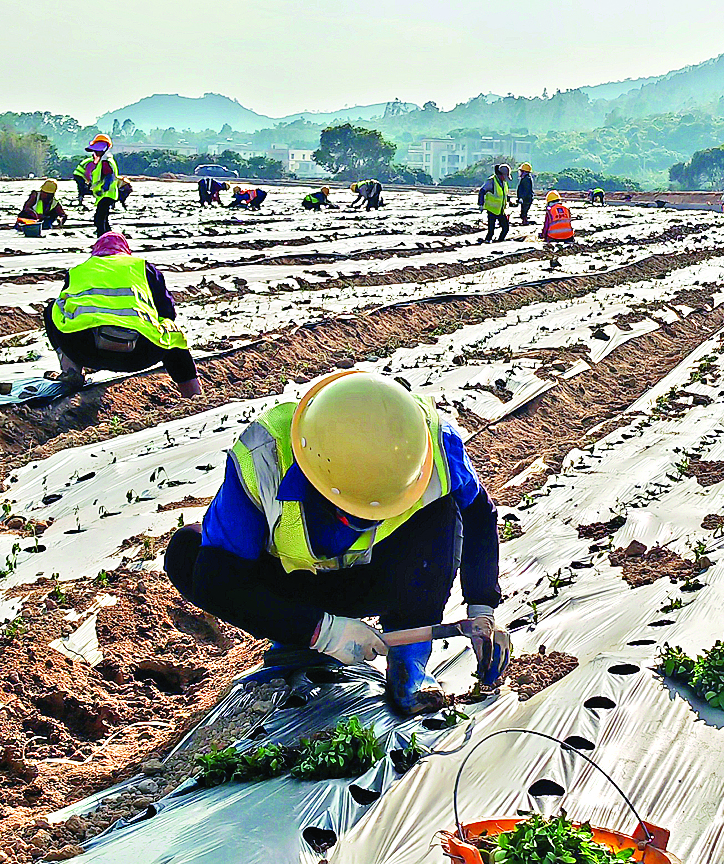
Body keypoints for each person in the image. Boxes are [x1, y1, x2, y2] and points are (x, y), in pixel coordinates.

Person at [164, 369, 512, 715]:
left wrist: (482, 608)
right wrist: (320, 630)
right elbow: (215, 579)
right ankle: (295, 644)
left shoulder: (435, 446)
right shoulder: (264, 456)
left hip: (379, 578)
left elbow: (479, 515)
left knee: (443, 512)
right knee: (187, 553)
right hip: (293, 589)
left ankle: (409, 661)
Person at [44, 232, 200, 398]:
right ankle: (193, 394)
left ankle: (71, 371)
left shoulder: (78, 271)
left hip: (85, 349)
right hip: (138, 354)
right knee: (171, 333)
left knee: (54, 309)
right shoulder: (143, 268)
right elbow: (168, 312)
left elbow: (67, 308)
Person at [82, 136, 120, 235]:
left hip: (106, 194)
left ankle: (102, 239)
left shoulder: (105, 161)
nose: (95, 153)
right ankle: (109, 238)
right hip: (106, 195)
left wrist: (103, 189)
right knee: (103, 219)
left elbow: (109, 177)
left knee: (99, 220)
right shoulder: (105, 160)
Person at [539, 186, 576, 269]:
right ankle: (560, 256)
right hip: (568, 236)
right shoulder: (566, 209)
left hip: (554, 236)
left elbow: (546, 225)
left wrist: (543, 236)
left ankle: (553, 259)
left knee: (547, 246)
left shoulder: (550, 210)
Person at [479, 162, 512, 244]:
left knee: (505, 228)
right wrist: (481, 204)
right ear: (501, 175)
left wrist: (509, 200)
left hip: (500, 210)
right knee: (491, 230)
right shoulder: (491, 181)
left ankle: (500, 241)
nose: (506, 178)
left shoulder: (504, 183)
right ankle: (487, 241)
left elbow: (503, 194)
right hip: (492, 210)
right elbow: (482, 191)